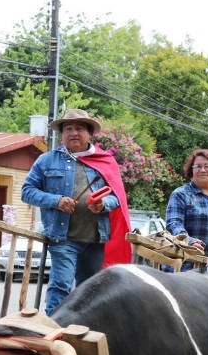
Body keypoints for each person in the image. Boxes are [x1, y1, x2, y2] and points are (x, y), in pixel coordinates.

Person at [21, 109, 130, 315]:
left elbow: (118, 197)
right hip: (64, 239)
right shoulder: (46, 161)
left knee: (89, 291)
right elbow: (27, 192)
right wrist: (56, 201)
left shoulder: (104, 161)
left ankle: (83, 332)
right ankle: (54, 332)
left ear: (90, 134)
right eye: (68, 129)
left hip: (95, 240)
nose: (73, 133)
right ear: (62, 134)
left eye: (79, 128)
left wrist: (103, 204)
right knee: (60, 286)